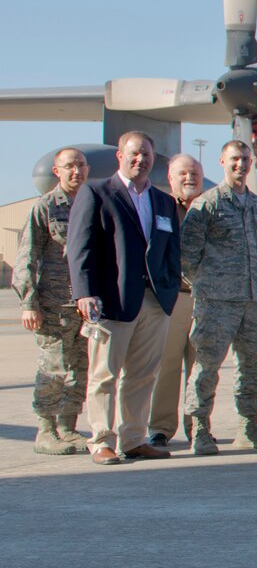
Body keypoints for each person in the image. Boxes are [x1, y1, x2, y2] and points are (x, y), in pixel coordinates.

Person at [66, 131, 182, 464]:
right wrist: (84, 292)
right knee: (105, 374)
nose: (140, 160)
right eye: (133, 154)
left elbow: (171, 251)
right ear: (120, 156)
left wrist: (169, 288)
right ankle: (102, 440)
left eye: (146, 155)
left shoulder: (163, 201)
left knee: (143, 374)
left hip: (154, 300)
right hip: (111, 300)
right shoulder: (97, 192)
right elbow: (80, 247)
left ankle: (133, 438)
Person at [181, 139, 257, 454]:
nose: (241, 165)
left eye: (246, 160)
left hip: (254, 300)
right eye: (235, 159)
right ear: (222, 161)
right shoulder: (206, 204)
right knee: (207, 365)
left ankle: (249, 426)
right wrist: (210, 285)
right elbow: (187, 256)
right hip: (216, 301)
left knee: (254, 365)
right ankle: (200, 430)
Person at [14, 147, 90, 454]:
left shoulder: (92, 205)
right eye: (70, 166)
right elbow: (26, 256)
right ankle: (45, 431)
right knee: (54, 369)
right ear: (57, 172)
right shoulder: (45, 207)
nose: (77, 171)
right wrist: (28, 303)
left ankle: (67, 428)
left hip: (84, 308)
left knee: (80, 369)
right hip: (53, 307)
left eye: (82, 166)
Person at [148, 153, 204, 447]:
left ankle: (198, 426)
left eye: (194, 173)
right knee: (167, 365)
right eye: (182, 173)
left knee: (200, 367)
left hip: (205, 299)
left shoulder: (209, 208)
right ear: (170, 177)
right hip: (172, 299)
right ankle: (160, 427)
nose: (189, 178)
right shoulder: (160, 206)